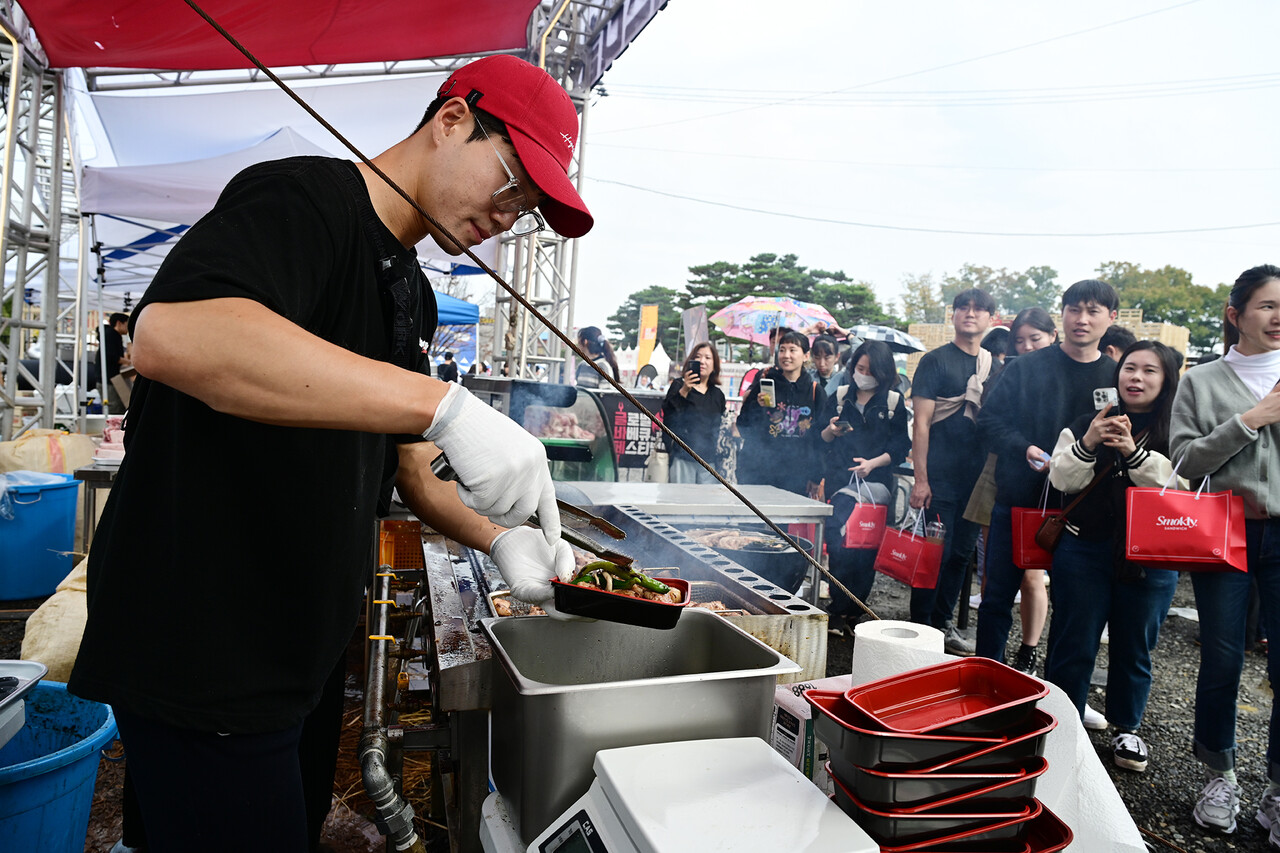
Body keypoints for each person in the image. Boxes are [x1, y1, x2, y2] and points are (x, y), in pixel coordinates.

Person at [68, 55, 593, 853]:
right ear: (452, 119)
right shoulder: (304, 199)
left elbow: (411, 467)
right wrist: (445, 403)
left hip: (297, 656)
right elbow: (173, 335)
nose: (511, 213)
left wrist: (502, 541)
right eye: (513, 179)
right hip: (207, 646)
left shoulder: (409, 290)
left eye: (527, 205)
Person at [1169, 264, 1280, 841]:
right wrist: (1249, 420)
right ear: (1236, 314)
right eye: (1266, 305)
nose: (1278, 316)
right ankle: (1221, 775)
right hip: (1226, 530)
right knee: (1221, 660)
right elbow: (1183, 462)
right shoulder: (1203, 381)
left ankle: (1277, 793)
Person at [1046, 341, 1183, 773]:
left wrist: (1132, 452)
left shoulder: (1176, 427)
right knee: (1073, 638)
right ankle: (1064, 717)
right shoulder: (1087, 421)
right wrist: (1089, 440)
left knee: (1134, 644)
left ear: (1166, 381)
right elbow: (1061, 477)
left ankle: (1128, 727)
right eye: (1129, 368)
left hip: (1151, 554)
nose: (1136, 378)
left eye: (1149, 371)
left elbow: (1179, 488)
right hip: (1083, 545)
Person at [975, 280, 1119, 669]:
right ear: (1063, 315)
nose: (1082, 319)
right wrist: (1024, 447)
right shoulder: (1024, 367)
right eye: (1074, 310)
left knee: (1075, 610)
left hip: (1084, 511)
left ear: (1111, 318)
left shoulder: (1116, 376)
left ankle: (1062, 692)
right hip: (1019, 499)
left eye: (1093, 311)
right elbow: (989, 421)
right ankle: (984, 678)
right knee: (997, 597)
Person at [907, 289, 997, 654]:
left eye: (978, 309)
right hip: (939, 475)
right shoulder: (936, 361)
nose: (970, 314)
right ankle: (919, 625)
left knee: (962, 554)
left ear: (992, 318)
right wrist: (921, 479)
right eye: (964, 308)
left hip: (977, 480)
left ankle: (942, 624)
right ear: (954, 315)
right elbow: (922, 423)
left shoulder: (994, 366)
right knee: (934, 552)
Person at [818, 339, 911, 635]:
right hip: (840, 483)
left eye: (870, 370)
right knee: (839, 545)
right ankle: (837, 607)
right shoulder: (840, 395)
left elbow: (900, 448)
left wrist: (873, 463)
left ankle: (852, 611)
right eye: (859, 368)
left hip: (875, 486)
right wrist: (831, 431)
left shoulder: (893, 402)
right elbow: (821, 439)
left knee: (866, 548)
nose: (863, 374)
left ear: (883, 373)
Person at [735, 329, 826, 497]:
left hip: (796, 474)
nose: (786, 355)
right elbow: (744, 426)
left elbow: (819, 438)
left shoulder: (815, 391)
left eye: (792, 350)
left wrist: (816, 475)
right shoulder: (764, 383)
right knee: (752, 521)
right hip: (758, 470)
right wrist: (757, 406)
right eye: (782, 349)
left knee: (785, 522)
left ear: (806, 356)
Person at [661, 342, 726, 484]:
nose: (702, 361)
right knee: (681, 501)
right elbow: (668, 416)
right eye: (698, 357)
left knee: (705, 504)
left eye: (708, 358)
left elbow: (719, 427)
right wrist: (684, 390)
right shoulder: (679, 385)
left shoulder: (717, 394)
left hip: (708, 461)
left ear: (714, 365)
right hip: (682, 456)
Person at [98, 312, 132, 413]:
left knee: (120, 406)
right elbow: (111, 356)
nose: (128, 328)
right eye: (127, 324)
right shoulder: (111, 335)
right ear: (119, 323)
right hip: (108, 379)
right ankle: (113, 429)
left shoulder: (113, 335)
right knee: (114, 407)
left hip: (112, 377)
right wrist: (129, 362)